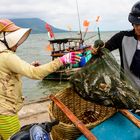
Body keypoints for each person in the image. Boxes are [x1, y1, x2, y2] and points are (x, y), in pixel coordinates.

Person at [0, 19, 81, 140]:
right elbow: (35, 74)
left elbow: (6, 77)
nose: (17, 44)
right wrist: (62, 60)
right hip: (6, 112)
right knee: (15, 137)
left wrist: (30, 66)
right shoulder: (7, 56)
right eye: (15, 40)